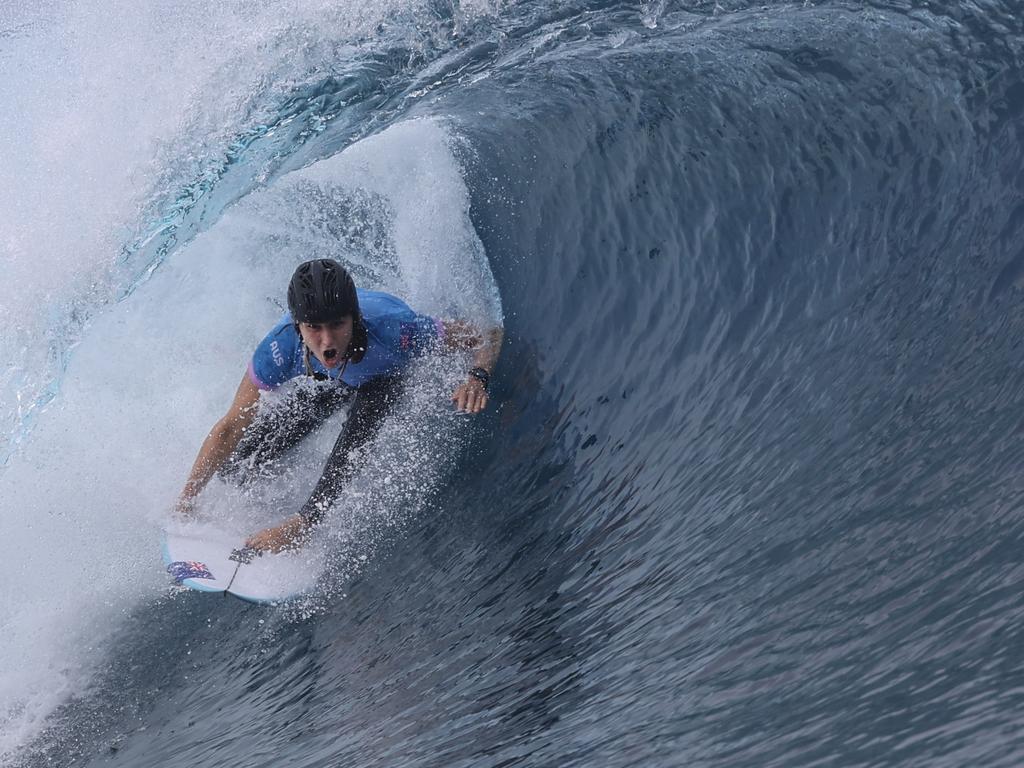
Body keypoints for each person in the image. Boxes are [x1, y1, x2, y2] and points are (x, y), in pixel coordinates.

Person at [175, 258, 502, 553]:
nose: (327, 340)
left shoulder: (396, 331)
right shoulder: (280, 348)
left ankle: (304, 525)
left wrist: (477, 377)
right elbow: (230, 427)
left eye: (337, 325)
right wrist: (186, 501)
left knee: (359, 429)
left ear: (354, 317)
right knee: (239, 464)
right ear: (298, 326)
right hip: (332, 378)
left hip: (382, 375)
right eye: (313, 328)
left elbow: (488, 334)